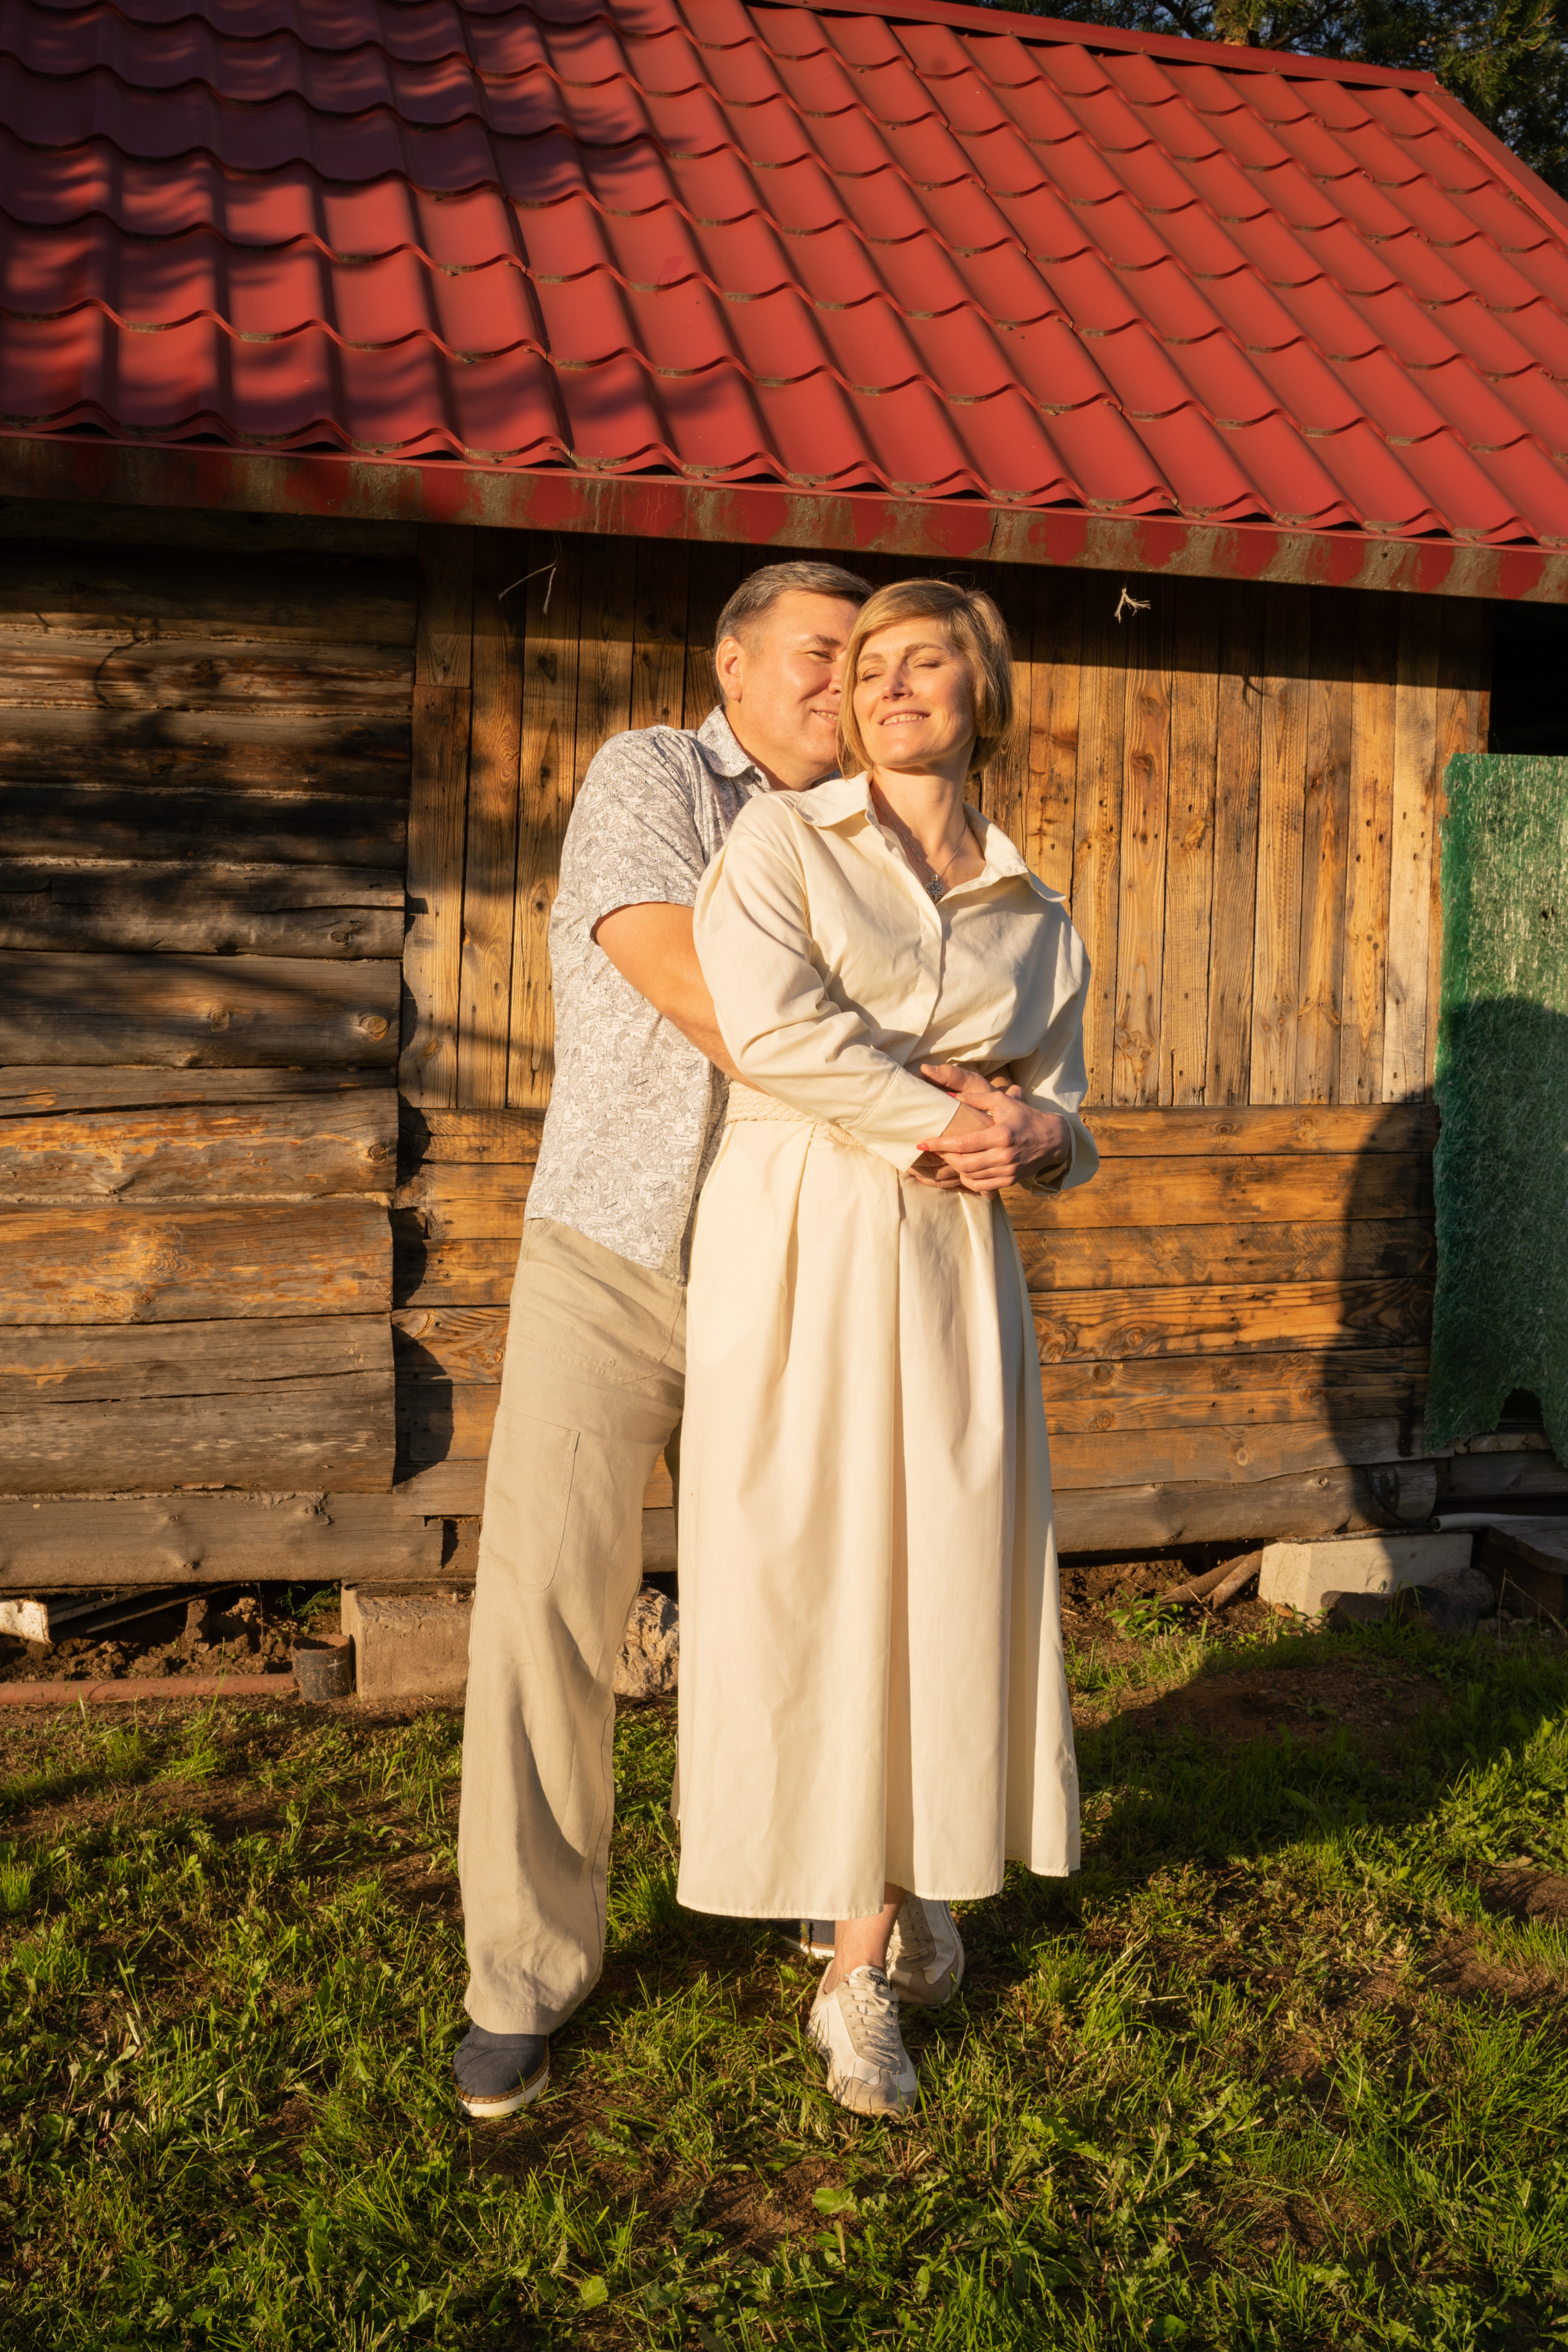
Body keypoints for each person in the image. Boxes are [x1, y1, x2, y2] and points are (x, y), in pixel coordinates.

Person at [674, 578, 1098, 2119]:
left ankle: (895, 1902)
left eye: (926, 664)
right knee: (811, 1567)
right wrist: (946, 1112)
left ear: (985, 692)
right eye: (867, 671)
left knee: (946, 1567)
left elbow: (1063, 1107)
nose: (891, 689)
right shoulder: (781, 844)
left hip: (952, 1261)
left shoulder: (1034, 909)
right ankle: (848, 1939)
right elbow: (774, 1033)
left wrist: (1038, 1137)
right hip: (801, 1234)